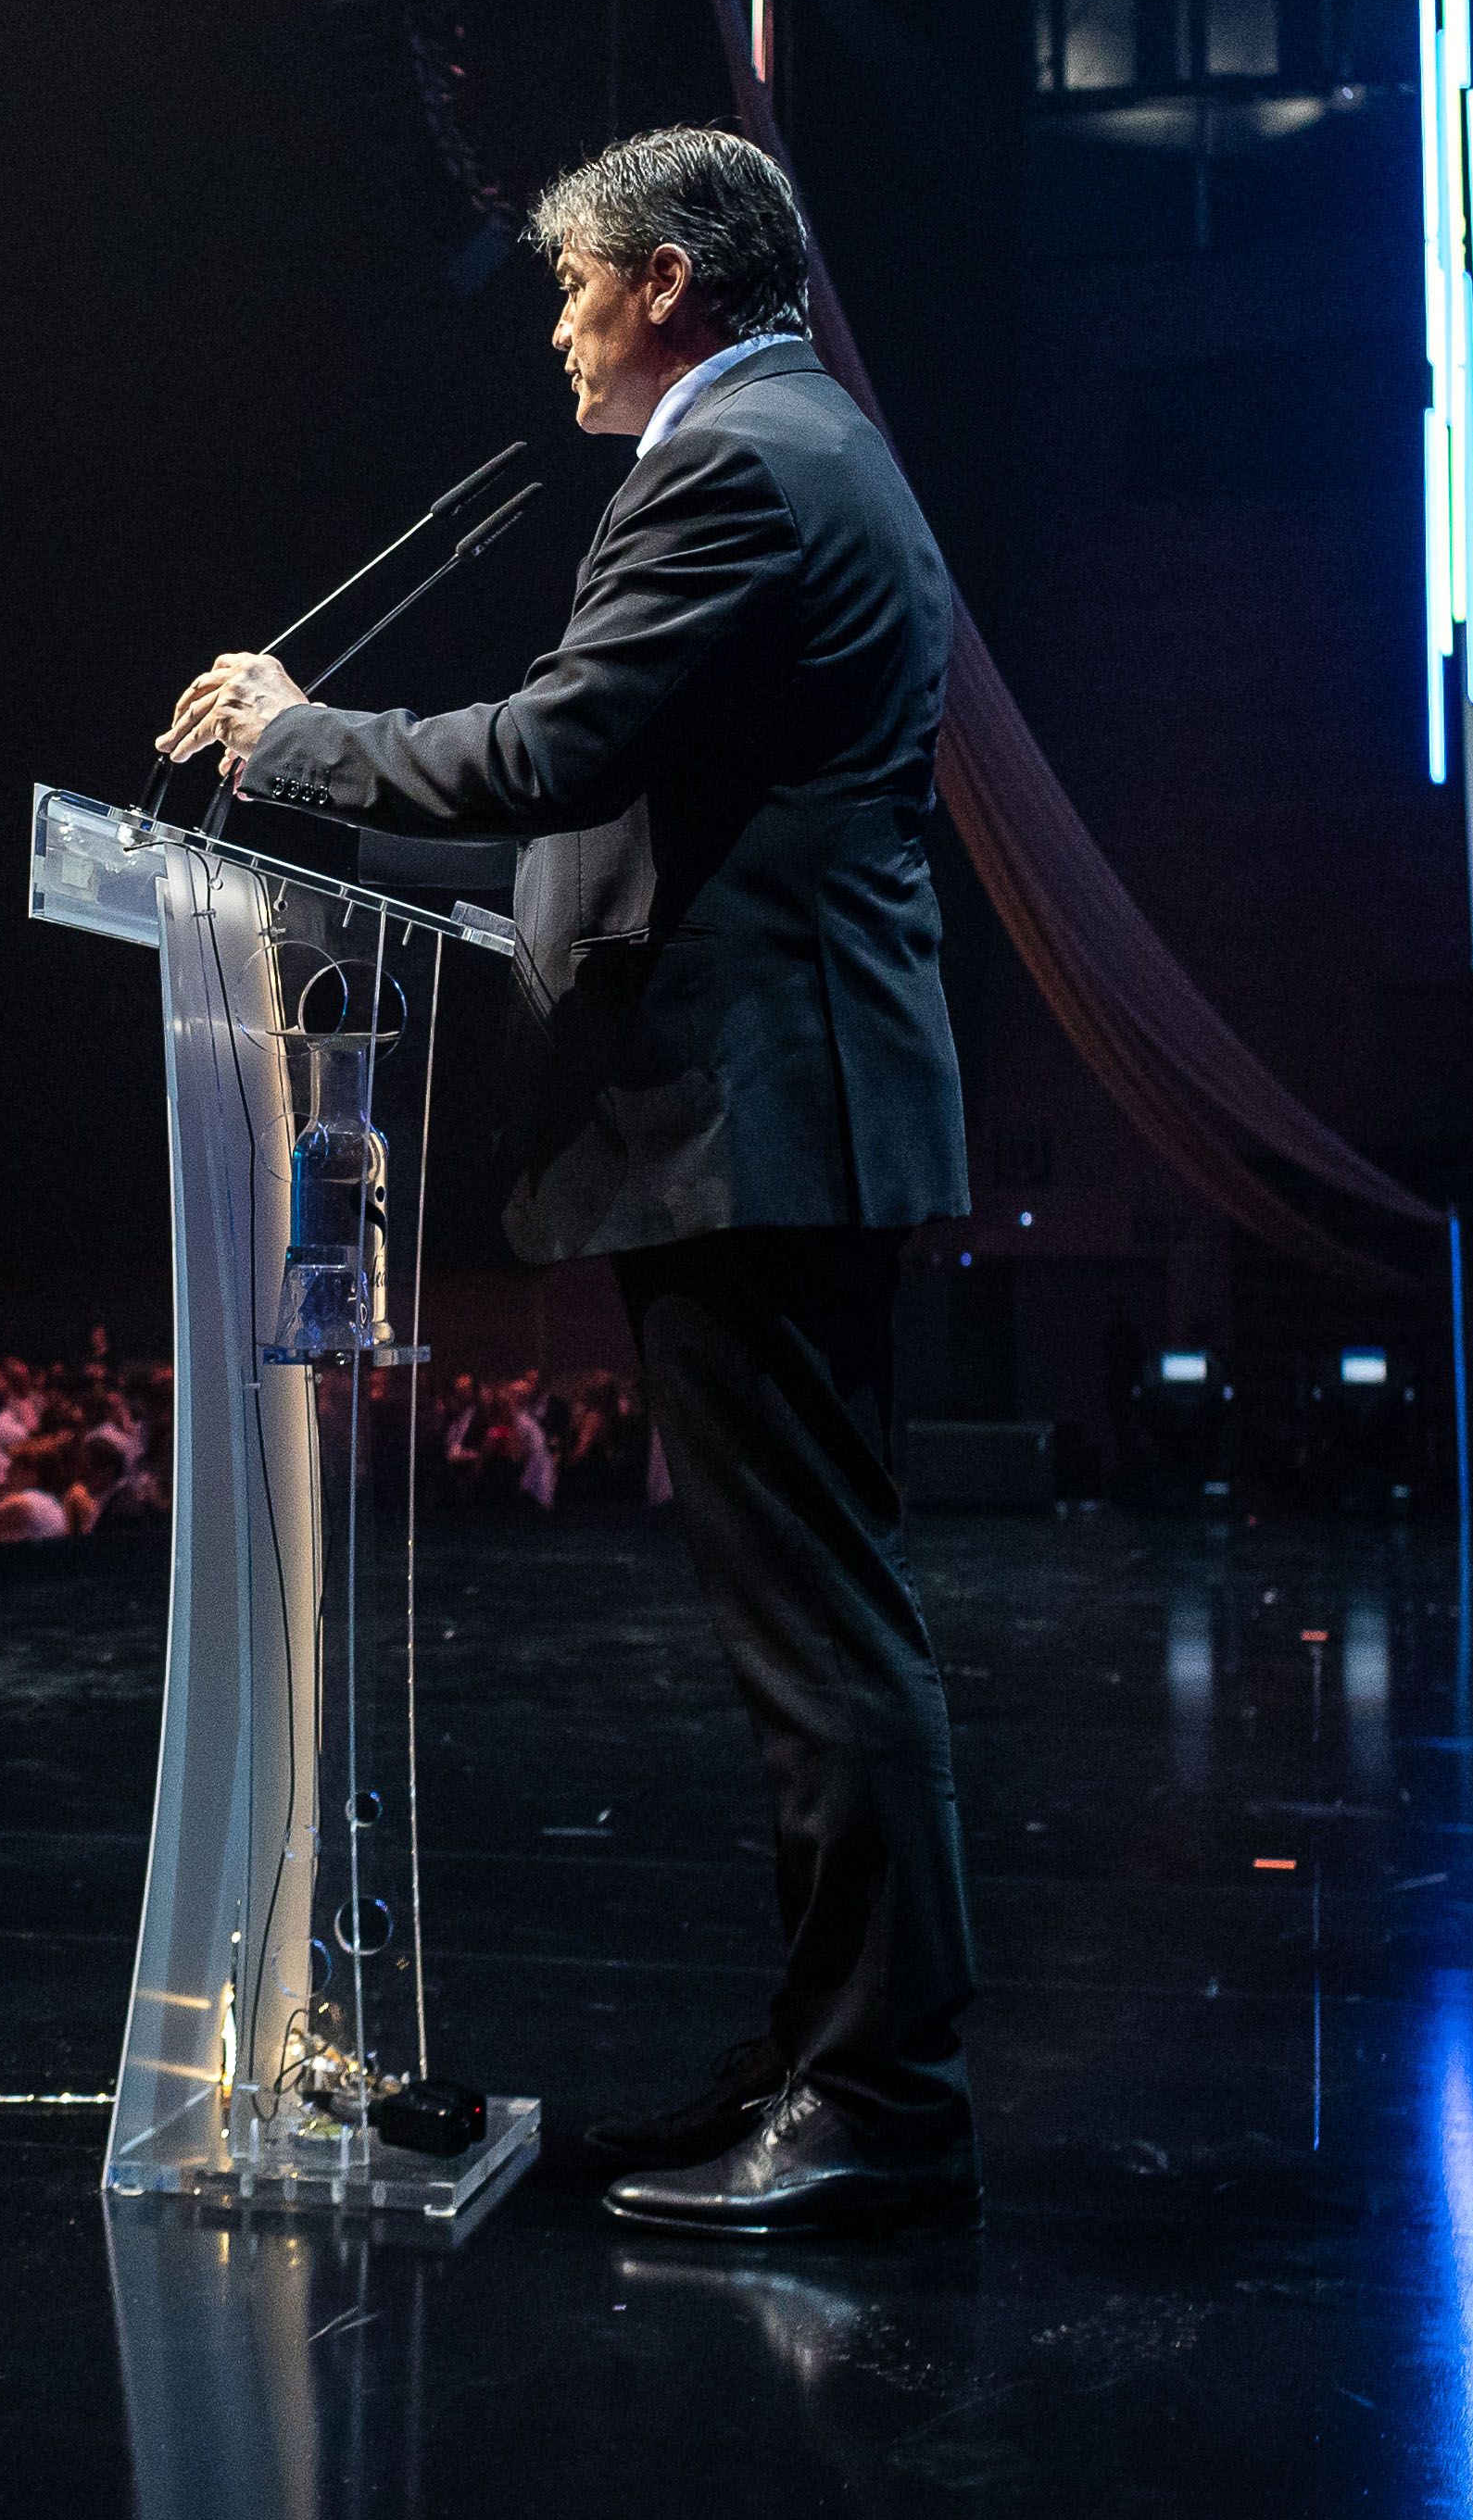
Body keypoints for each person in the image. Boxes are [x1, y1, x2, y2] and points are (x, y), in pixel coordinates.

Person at [166, 121, 983, 2239]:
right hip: (780, 1099)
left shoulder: (728, 464)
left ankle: (878, 2095)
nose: (552, 321)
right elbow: (609, 835)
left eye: (573, 282)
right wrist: (337, 834)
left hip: (756, 1114)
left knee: (821, 1642)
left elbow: (553, 747)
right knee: (819, 1627)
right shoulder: (815, 448)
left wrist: (293, 738)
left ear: (671, 286)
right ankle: (828, 2058)